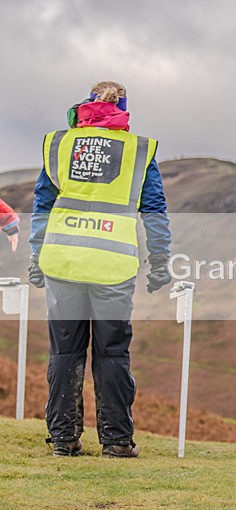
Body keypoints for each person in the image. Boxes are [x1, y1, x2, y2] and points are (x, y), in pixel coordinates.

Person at [28, 81, 173, 458]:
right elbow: (154, 209)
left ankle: (63, 440)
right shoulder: (137, 149)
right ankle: (117, 441)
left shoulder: (61, 144)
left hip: (63, 261)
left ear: (87, 104)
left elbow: (43, 205)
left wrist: (35, 257)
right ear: (124, 110)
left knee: (65, 353)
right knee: (111, 353)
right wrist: (159, 262)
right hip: (113, 265)